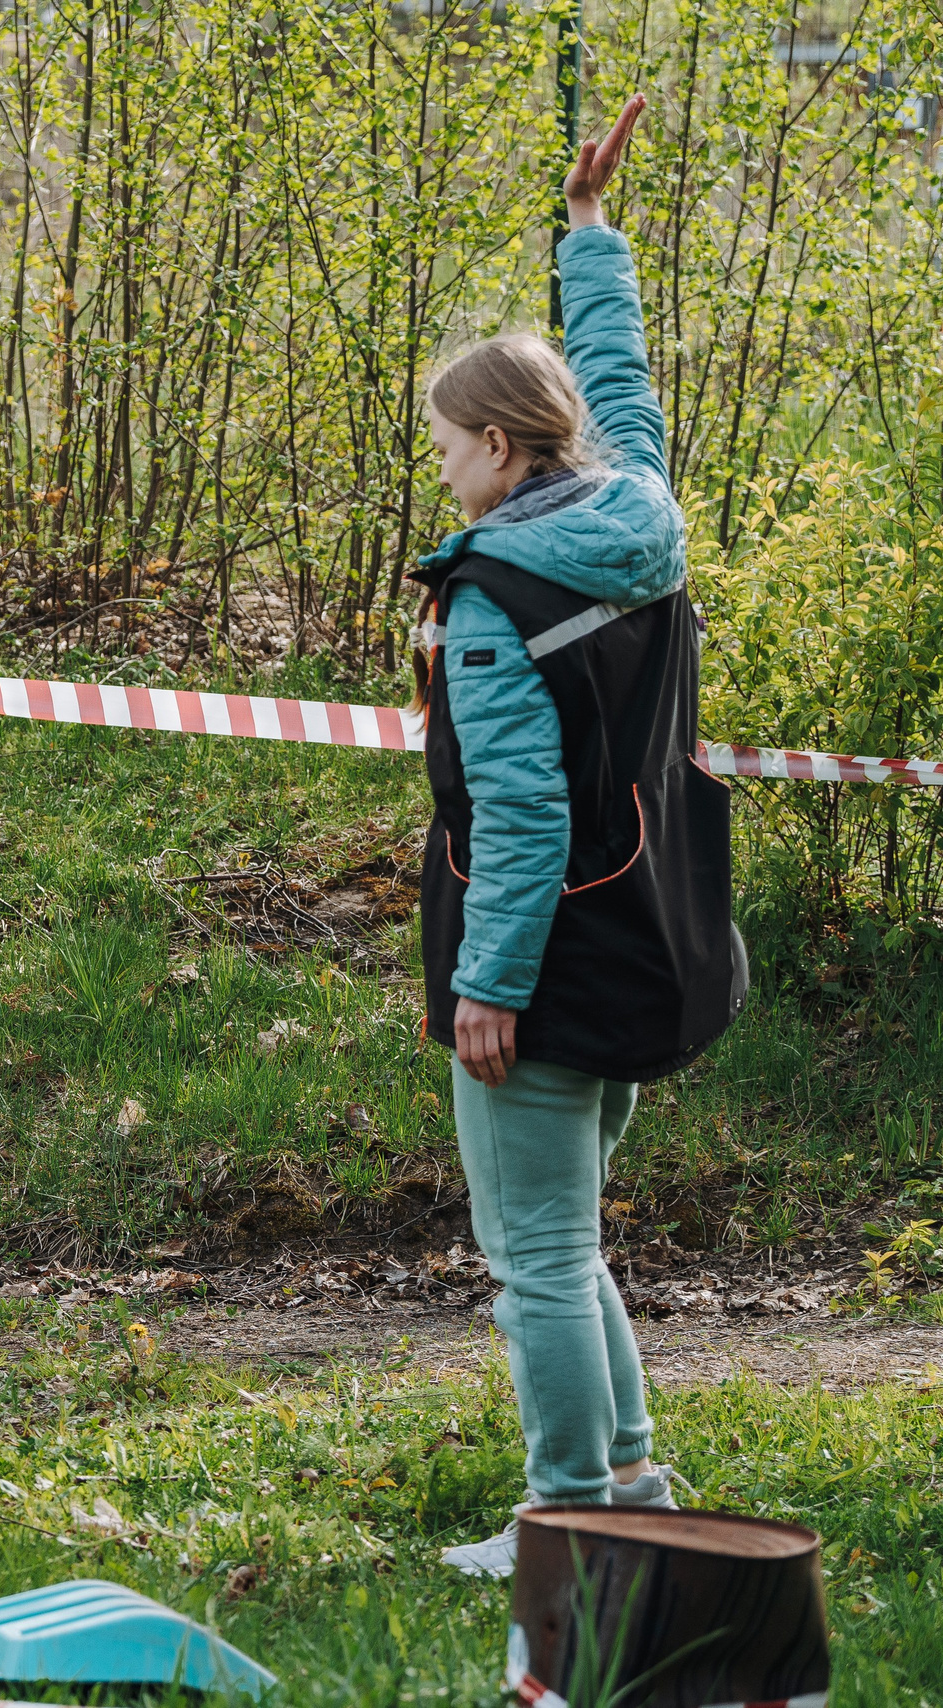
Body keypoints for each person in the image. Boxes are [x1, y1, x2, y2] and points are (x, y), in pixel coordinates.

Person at [410, 92, 747, 1579]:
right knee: (574, 1240)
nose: (444, 477)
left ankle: (568, 1526)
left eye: (448, 450)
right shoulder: (641, 507)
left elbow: (524, 812)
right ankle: (636, 1487)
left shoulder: (494, 598)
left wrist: (487, 986)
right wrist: (589, 237)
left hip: (544, 962)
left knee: (536, 1257)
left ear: (496, 444)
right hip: (649, 936)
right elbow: (618, 378)